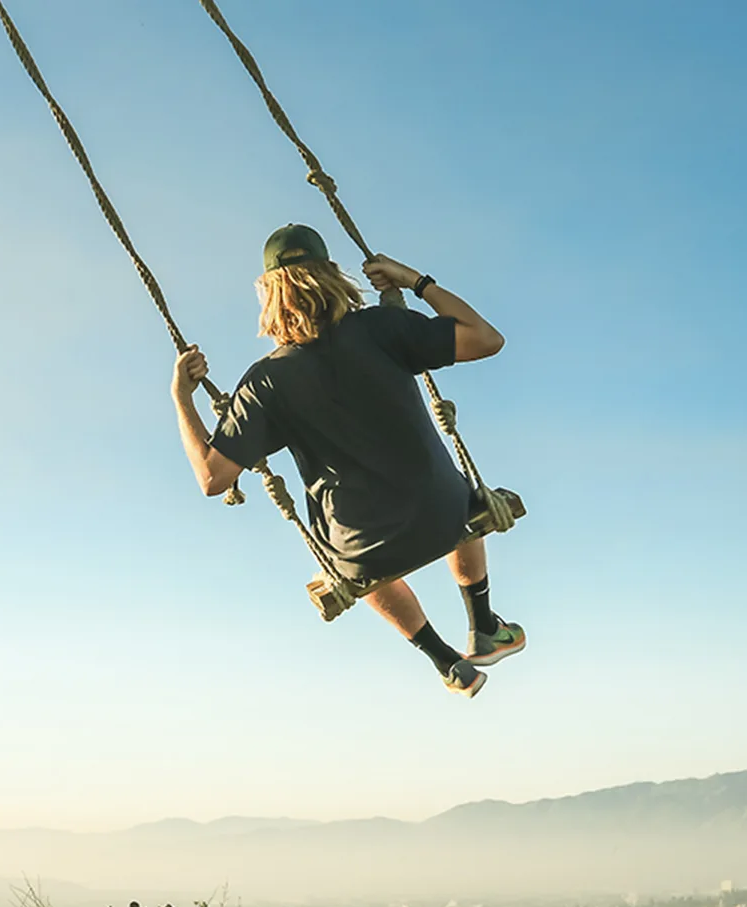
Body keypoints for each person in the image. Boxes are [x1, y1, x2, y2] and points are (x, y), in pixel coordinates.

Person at [171, 223, 525, 697]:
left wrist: (182, 397)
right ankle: (483, 625)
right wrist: (416, 281)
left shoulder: (264, 384)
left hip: (366, 550)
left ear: (269, 295)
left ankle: (445, 661)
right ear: (332, 275)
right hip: (446, 515)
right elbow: (486, 338)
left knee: (344, 560)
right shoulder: (383, 328)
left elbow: (212, 478)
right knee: (457, 492)